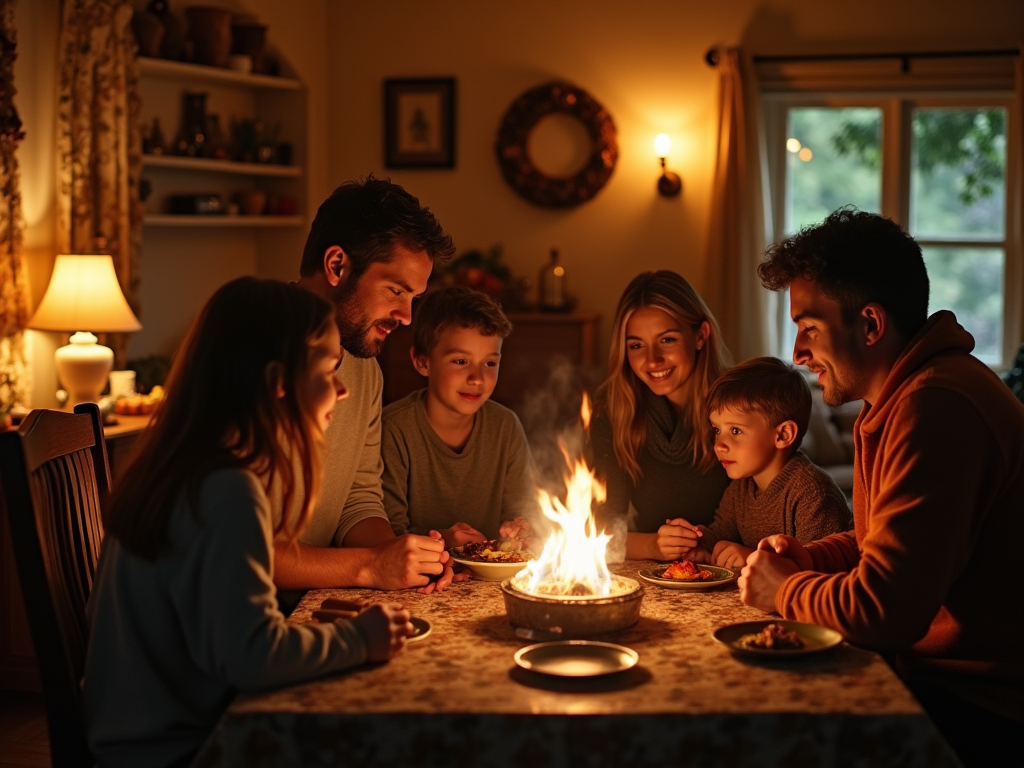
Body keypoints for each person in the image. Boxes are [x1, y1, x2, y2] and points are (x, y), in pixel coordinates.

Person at [84, 278, 413, 768]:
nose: (342, 391)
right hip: (175, 751)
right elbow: (249, 656)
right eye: (328, 370)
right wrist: (357, 640)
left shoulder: (189, 464)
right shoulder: (227, 489)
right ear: (278, 381)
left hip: (133, 737)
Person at [741, 208, 1024, 766]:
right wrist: (811, 559)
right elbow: (880, 547)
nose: (798, 354)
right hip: (939, 681)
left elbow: (886, 611)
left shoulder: (935, 406)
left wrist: (785, 590)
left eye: (809, 329)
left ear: (870, 325)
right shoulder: (900, 397)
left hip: (983, 707)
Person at [276, 177, 460, 600]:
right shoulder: (254, 357)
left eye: (414, 297)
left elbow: (357, 499)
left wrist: (403, 558)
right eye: (396, 290)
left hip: (305, 602)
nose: (407, 316)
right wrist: (370, 566)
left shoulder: (365, 369)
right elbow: (236, 552)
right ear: (337, 266)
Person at [381, 286, 539, 549]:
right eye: (460, 361)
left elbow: (524, 510)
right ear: (422, 362)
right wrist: (444, 542)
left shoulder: (505, 426)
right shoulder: (394, 429)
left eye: (490, 363)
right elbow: (387, 533)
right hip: (417, 582)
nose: (477, 378)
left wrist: (520, 528)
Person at [590, 270, 732, 561]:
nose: (652, 359)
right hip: (653, 573)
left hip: (730, 569)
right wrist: (654, 545)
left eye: (667, 340)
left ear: (700, 336)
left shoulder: (738, 404)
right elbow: (600, 532)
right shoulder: (613, 410)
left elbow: (764, 519)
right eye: (636, 345)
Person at [685, 356, 850, 568]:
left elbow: (822, 570)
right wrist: (692, 539)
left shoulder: (812, 492)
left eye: (735, 430)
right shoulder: (741, 489)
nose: (719, 445)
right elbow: (720, 536)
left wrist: (752, 558)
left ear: (783, 435)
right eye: (717, 430)